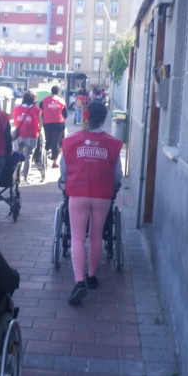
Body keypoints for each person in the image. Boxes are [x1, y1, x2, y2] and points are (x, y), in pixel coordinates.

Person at [59, 102, 123, 305]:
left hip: (77, 192)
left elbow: (63, 171)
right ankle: (92, 275)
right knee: (96, 235)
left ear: (84, 117)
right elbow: (118, 175)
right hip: (102, 194)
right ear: (103, 119)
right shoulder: (112, 144)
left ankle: (79, 282)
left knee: (77, 238)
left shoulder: (70, 142)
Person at [11, 90, 43, 184]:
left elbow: (15, 122)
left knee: (18, 156)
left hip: (19, 135)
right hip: (32, 135)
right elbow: (41, 123)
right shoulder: (37, 110)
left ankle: (16, 177)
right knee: (27, 156)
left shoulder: (16, 109)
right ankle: (25, 178)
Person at [39, 85, 67, 168]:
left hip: (47, 124)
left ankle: (43, 159)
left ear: (51, 92)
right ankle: (55, 162)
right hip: (59, 124)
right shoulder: (61, 101)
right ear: (58, 92)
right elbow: (65, 115)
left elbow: (40, 112)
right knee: (55, 143)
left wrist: (42, 122)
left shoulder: (44, 100)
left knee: (47, 141)